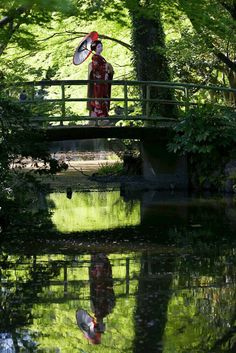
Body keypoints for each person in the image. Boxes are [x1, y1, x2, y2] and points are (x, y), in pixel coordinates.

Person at [87, 40, 114, 120]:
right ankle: (100, 116)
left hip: (103, 81)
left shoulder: (100, 58)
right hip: (98, 82)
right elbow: (96, 69)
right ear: (95, 48)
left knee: (103, 97)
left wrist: (107, 68)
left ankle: (101, 116)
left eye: (101, 46)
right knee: (99, 97)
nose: (100, 48)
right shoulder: (95, 58)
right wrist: (105, 67)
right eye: (98, 47)